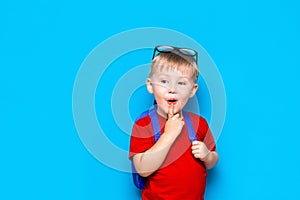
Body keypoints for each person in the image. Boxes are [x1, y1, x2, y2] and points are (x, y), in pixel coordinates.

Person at [129, 45, 218, 200]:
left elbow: (213, 160)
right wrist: (169, 135)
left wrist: (207, 156)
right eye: (164, 81)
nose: (172, 89)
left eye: (181, 83)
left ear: (192, 89)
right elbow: (142, 169)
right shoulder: (145, 124)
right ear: (151, 85)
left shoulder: (200, 123)